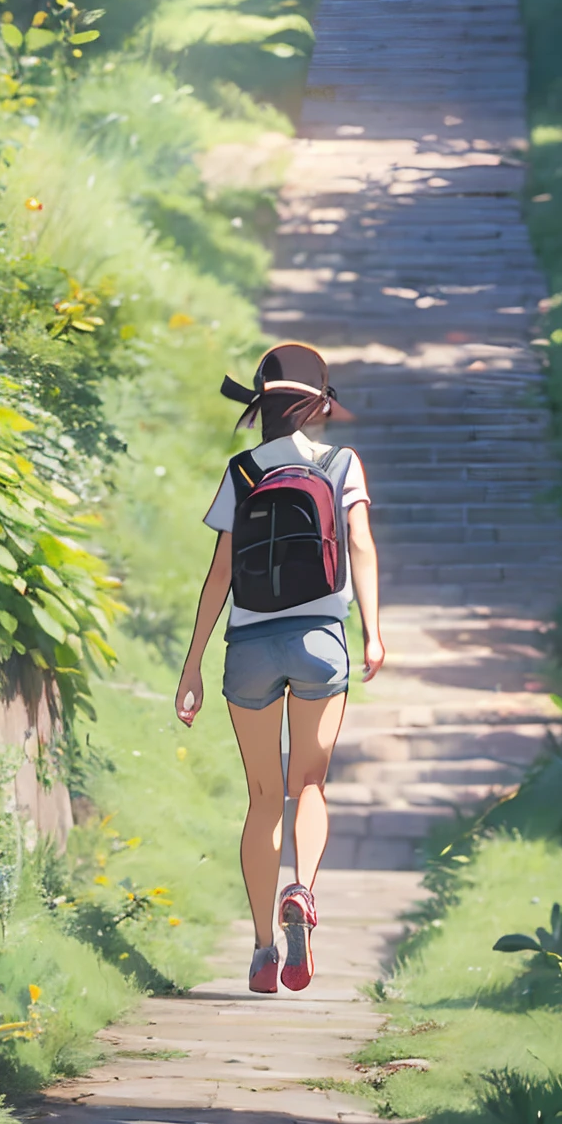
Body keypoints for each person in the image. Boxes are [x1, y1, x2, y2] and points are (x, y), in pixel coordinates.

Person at [174, 343, 385, 993]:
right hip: (322, 640)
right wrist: (374, 634)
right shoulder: (343, 464)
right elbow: (360, 544)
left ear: (260, 406)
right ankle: (303, 888)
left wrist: (192, 668)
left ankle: (265, 949)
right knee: (310, 786)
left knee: (264, 797)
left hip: (250, 650)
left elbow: (219, 575)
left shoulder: (242, 471)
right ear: (319, 405)